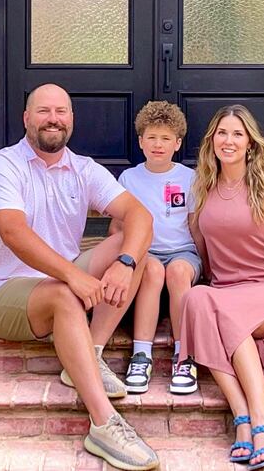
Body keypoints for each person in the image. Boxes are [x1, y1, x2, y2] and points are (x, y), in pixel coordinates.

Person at [0, 83, 159, 471]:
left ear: (71, 119)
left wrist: (125, 263)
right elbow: (14, 234)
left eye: (61, 112)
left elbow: (141, 215)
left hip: (59, 280)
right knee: (64, 295)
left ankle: (90, 355)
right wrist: (74, 276)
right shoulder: (2, 166)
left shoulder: (83, 168)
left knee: (137, 253)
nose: (53, 119)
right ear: (26, 119)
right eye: (43, 111)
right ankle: (103, 424)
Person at [178, 105, 264, 469]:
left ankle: (261, 416)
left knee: (219, 313)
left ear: (250, 141)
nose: (228, 140)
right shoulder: (203, 185)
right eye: (222, 133)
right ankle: (245, 418)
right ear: (211, 141)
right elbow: (203, 246)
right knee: (197, 297)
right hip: (226, 292)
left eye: (237, 134)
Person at [109, 101, 201, 395]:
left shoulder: (190, 178)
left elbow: (196, 225)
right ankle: (141, 355)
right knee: (150, 270)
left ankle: (184, 355)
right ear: (140, 141)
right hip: (146, 252)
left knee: (175, 272)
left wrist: (208, 262)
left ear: (177, 143)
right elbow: (118, 226)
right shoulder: (130, 179)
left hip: (183, 252)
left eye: (165, 138)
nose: (158, 144)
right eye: (151, 137)